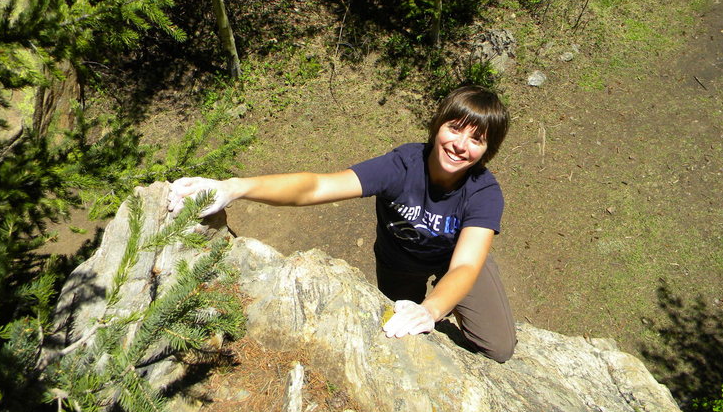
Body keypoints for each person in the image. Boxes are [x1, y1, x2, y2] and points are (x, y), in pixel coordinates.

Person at [167, 86, 517, 362]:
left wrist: (433, 309)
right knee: (398, 335)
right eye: (455, 129)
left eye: (477, 139)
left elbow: (467, 264)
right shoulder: (401, 166)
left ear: (488, 150)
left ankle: (449, 306)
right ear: (437, 125)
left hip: (455, 262)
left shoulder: (483, 193)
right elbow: (317, 185)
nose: (460, 145)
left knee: (498, 347)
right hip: (399, 263)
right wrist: (235, 188)